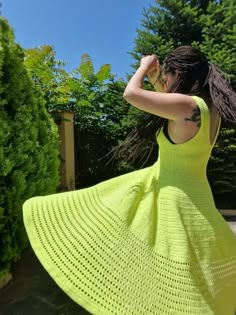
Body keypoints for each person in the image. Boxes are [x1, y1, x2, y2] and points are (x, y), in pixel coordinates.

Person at [23, 46, 236, 315]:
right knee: (187, 278)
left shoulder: (187, 106)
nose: (167, 84)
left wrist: (144, 68)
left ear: (179, 73)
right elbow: (169, 99)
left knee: (167, 275)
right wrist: (157, 76)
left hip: (173, 201)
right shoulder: (207, 111)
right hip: (196, 200)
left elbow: (131, 94)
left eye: (169, 77)